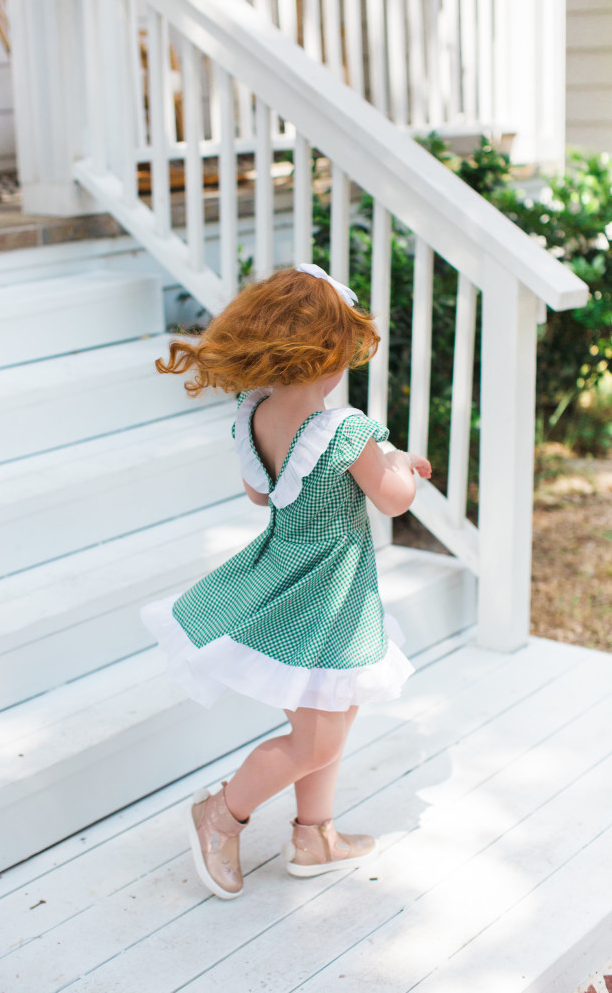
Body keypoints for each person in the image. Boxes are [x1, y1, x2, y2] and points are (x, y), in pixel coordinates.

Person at [141, 263, 432, 900]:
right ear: (329, 356)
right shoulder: (345, 430)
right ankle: (223, 812)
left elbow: (258, 490)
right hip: (322, 597)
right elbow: (393, 500)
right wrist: (402, 463)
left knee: (332, 711)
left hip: (288, 579)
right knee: (319, 734)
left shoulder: (255, 413)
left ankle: (314, 835)